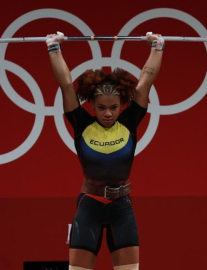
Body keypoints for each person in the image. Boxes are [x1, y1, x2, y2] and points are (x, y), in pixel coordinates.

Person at [46, 31, 164, 270]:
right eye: (101, 108)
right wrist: (53, 47)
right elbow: (66, 84)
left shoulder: (130, 122)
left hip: (122, 208)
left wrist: (158, 47)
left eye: (113, 108)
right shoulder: (82, 124)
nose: (108, 113)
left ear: (122, 105)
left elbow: (145, 82)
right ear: (92, 105)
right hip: (89, 206)